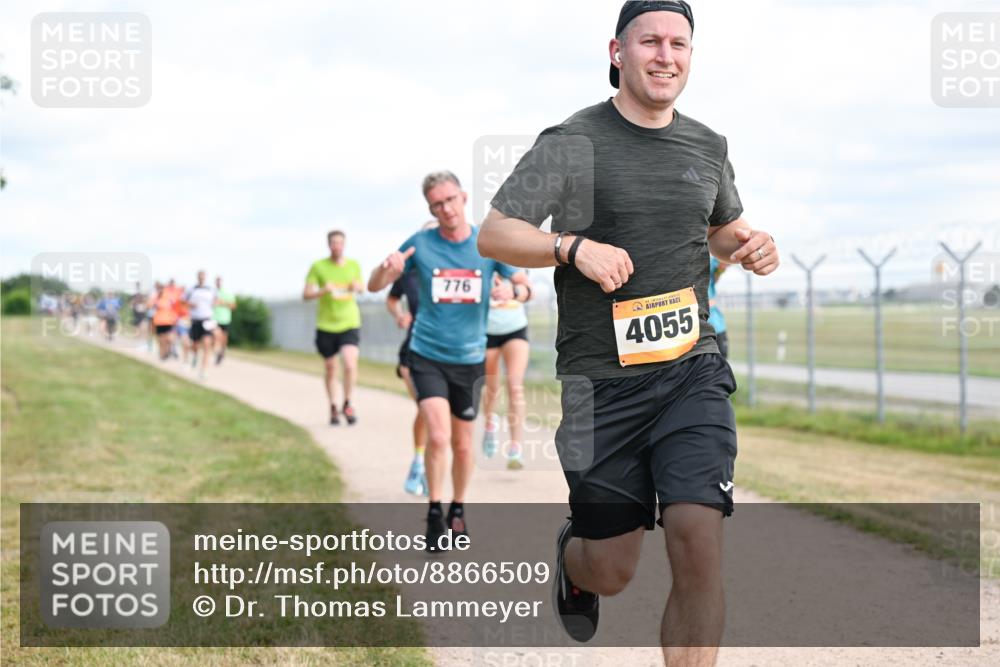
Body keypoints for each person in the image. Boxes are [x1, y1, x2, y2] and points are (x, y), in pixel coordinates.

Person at [477, 2, 780, 662]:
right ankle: (573, 558)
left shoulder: (708, 145)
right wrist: (570, 247)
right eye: (651, 41)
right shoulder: (572, 140)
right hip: (601, 387)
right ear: (618, 51)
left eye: (679, 43)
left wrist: (749, 244)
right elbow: (496, 232)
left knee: (698, 535)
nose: (665, 54)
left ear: (691, 57)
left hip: (690, 371)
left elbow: (719, 225)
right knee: (611, 568)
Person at [368, 171, 531, 552]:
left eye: (450, 200)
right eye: (436, 204)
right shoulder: (421, 244)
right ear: (431, 208)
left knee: (461, 445)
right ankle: (434, 513)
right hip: (426, 355)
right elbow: (375, 286)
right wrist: (384, 271)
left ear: (463, 197)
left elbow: (524, 285)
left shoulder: (486, 242)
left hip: (470, 359)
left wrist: (513, 290)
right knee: (438, 436)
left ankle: (458, 508)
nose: (446, 209)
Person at [304, 230, 364, 425]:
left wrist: (357, 287)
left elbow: (363, 288)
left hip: (349, 322)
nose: (337, 246)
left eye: (340, 243)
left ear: (344, 245)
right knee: (331, 368)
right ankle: (332, 406)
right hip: (326, 325)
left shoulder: (353, 265)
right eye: (333, 243)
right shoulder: (318, 266)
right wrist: (323, 291)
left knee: (349, 363)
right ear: (328, 245)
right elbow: (306, 294)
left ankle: (348, 402)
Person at [481, 277, 532, 470]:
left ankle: (515, 447)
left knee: (515, 385)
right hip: (487, 332)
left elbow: (529, 290)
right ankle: (489, 423)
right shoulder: (482, 259)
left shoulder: (515, 264)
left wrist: (515, 290)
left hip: (515, 330)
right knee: (492, 388)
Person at [387, 256, 428, 496]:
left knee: (441, 418)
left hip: (450, 356)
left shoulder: (456, 269)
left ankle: (429, 466)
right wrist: (399, 314)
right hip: (412, 353)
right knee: (428, 409)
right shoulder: (410, 273)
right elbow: (392, 298)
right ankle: (419, 463)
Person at [184, 270, 217, 380]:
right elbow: (182, 301)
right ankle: (194, 356)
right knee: (195, 345)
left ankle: (204, 370)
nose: (201, 278)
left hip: (207, 319)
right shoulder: (192, 289)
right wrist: (190, 304)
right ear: (197, 277)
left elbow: (216, 300)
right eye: (200, 276)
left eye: (203, 276)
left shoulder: (211, 289)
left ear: (205, 277)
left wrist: (215, 304)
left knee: (207, 344)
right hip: (195, 320)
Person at [708, 257, 730, 359]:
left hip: (717, 326)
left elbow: (723, 263)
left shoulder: (712, 262)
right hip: (704, 330)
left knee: (722, 362)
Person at [151, 282, 178, 360]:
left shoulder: (169, 297)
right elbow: (150, 305)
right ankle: (162, 355)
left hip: (168, 321)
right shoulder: (156, 297)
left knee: (169, 338)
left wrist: (175, 317)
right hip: (158, 321)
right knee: (161, 339)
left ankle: (167, 351)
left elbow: (175, 307)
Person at [213, 276, 236, 365]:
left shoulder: (227, 293)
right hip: (214, 319)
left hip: (225, 319)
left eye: (219, 281)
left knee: (224, 338)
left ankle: (222, 352)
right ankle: (217, 352)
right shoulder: (212, 292)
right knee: (216, 336)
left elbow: (233, 306)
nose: (218, 283)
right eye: (217, 281)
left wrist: (222, 303)